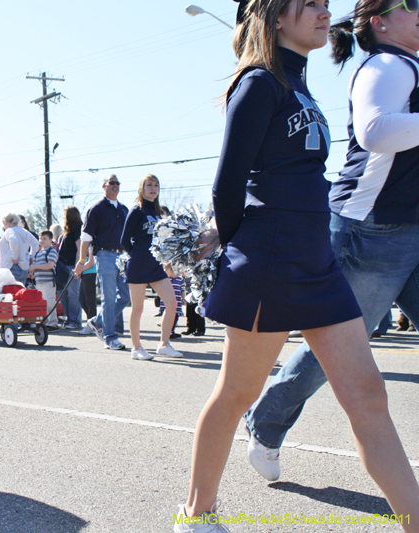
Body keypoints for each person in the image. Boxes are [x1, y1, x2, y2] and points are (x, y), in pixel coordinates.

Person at [174, 1, 419, 530]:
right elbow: (227, 183)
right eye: (308, 4)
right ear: (275, 18)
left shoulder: (302, 85)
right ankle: (195, 517)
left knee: (368, 396)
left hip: (319, 264)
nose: (323, 11)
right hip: (271, 261)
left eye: (325, 3)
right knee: (236, 394)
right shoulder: (258, 83)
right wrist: (241, 256)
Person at [244, 0, 419, 485]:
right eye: (412, 3)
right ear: (380, 21)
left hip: (412, 228)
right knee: (334, 355)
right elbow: (376, 131)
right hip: (370, 231)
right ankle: (266, 417)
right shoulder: (387, 65)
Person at [120, 175, 182, 360]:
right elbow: (124, 240)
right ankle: (137, 348)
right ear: (142, 188)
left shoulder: (159, 213)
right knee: (137, 308)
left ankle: (164, 344)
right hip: (138, 265)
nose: (153, 188)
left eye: (156, 185)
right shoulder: (136, 211)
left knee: (172, 304)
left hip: (157, 267)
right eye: (149, 185)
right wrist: (138, 254)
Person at [74, 175, 130, 350]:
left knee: (126, 296)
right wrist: (82, 261)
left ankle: (97, 321)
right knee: (109, 297)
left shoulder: (124, 209)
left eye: (117, 183)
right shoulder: (96, 208)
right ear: (104, 186)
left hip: (122, 256)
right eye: (111, 183)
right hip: (104, 255)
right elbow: (86, 238)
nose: (115, 186)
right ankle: (110, 337)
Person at [57, 206, 83, 330]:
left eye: (65, 215)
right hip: (62, 266)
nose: (63, 217)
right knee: (62, 293)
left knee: (73, 294)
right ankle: (69, 319)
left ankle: (75, 321)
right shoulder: (66, 231)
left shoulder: (78, 229)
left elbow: (80, 249)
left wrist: (78, 267)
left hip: (72, 265)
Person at [0, 213, 39, 286]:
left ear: (9, 223)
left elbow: (14, 240)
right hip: (24, 268)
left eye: (4, 224)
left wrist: (15, 257)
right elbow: (35, 243)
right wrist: (31, 257)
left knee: (11, 293)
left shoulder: (9, 231)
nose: (4, 227)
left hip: (11, 266)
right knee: (19, 292)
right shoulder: (25, 231)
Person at [29, 230, 59, 330]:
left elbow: (50, 265)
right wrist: (32, 271)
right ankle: (44, 322)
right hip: (39, 282)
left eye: (45, 239)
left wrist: (36, 266)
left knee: (50, 302)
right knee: (42, 303)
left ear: (51, 240)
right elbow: (35, 267)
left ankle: (52, 323)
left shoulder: (52, 251)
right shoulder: (38, 253)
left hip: (48, 282)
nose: (42, 241)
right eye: (40, 238)